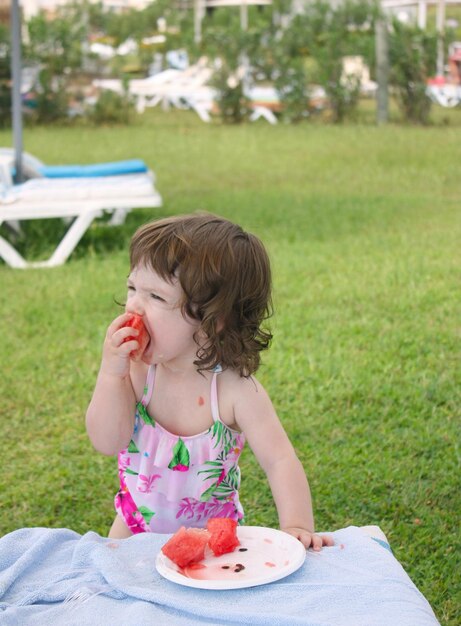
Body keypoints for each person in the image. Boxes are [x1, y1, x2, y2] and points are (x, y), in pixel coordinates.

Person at [86, 212, 333, 551]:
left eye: (155, 297)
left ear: (213, 320)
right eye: (132, 288)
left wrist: (297, 526)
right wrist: (110, 374)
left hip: (212, 540)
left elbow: (279, 460)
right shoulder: (138, 374)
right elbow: (106, 441)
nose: (134, 307)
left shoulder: (234, 391)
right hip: (134, 529)